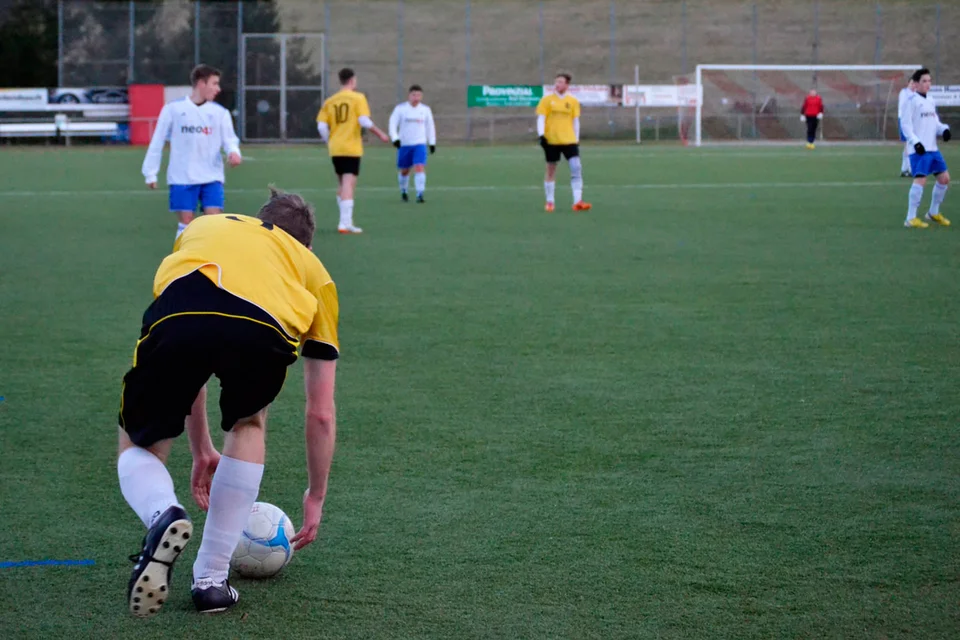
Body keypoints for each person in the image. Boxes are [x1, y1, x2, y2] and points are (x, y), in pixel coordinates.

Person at [118, 188, 339, 616]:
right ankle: (211, 581)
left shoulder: (203, 226)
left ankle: (162, 513)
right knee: (249, 422)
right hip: (263, 329)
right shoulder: (314, 270)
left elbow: (194, 369)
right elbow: (320, 412)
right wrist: (315, 494)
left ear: (261, 221)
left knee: (140, 444)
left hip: (178, 315)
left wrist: (200, 447)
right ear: (306, 244)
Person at [142, 64, 242, 239]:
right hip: (182, 177)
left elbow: (230, 140)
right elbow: (157, 140)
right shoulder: (173, 109)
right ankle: (183, 260)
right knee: (186, 222)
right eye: (214, 83)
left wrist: (234, 153)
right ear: (201, 83)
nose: (218, 89)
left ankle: (212, 259)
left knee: (214, 220)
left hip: (212, 176)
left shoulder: (220, 113)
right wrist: (150, 173)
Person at [316, 68, 390, 234]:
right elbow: (363, 120)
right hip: (351, 147)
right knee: (349, 184)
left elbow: (321, 126)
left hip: (335, 148)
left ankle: (345, 220)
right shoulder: (358, 98)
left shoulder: (330, 100)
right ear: (352, 80)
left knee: (342, 183)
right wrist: (381, 134)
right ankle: (344, 223)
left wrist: (330, 140)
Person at [901, 68, 951, 228]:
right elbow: (906, 126)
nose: (927, 84)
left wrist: (944, 129)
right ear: (916, 84)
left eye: (929, 81)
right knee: (921, 180)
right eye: (924, 81)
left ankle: (933, 212)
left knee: (944, 179)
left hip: (933, 148)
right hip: (919, 149)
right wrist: (915, 142)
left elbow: (934, 122)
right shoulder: (911, 101)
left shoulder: (930, 100)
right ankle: (910, 218)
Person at [535, 73, 591, 213]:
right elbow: (541, 118)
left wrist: (576, 139)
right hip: (551, 140)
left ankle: (577, 201)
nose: (557, 84)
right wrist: (541, 135)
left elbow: (575, 121)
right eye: (556, 82)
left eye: (560, 82)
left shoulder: (572, 101)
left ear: (567, 84)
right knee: (551, 169)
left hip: (569, 140)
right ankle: (550, 201)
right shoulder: (547, 100)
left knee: (576, 167)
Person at [388, 85, 437, 203]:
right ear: (409, 95)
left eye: (419, 95)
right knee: (405, 170)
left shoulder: (425, 110)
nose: (416, 97)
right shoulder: (400, 109)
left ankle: (420, 194)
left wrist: (432, 142)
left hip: (420, 144)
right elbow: (392, 124)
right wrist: (395, 138)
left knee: (419, 166)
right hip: (404, 144)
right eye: (414, 95)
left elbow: (430, 126)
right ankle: (404, 191)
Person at [898, 77, 918, 177]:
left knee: (909, 144)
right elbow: (905, 106)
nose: (913, 85)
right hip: (904, 121)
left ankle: (905, 169)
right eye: (912, 83)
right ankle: (909, 169)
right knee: (909, 144)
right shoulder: (904, 92)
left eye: (915, 84)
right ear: (908, 83)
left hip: (911, 121)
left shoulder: (915, 94)